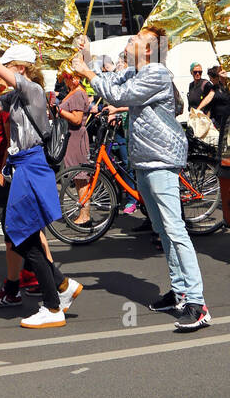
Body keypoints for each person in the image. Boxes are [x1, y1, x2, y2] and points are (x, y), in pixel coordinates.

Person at [83, 24, 210, 332]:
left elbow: (117, 93)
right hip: (145, 160)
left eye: (138, 38)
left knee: (174, 229)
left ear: (151, 49)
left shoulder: (156, 74)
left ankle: (197, 302)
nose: (131, 39)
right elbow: (113, 80)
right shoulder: (137, 72)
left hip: (162, 159)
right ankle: (180, 292)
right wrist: (88, 59)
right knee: (163, 230)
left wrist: (88, 74)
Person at [0, 18, 81, 328]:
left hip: (31, 164)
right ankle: (62, 290)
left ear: (21, 69)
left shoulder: (32, 91)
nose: (0, 70)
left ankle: (54, 306)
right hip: (22, 167)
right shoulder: (13, 97)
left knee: (23, 236)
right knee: (22, 236)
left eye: (7, 66)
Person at [57, 65, 93, 226]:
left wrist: (59, 111)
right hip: (72, 136)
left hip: (77, 136)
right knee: (78, 178)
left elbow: (77, 119)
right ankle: (83, 213)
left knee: (81, 177)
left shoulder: (78, 93)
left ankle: (85, 215)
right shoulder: (75, 92)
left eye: (67, 77)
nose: (65, 81)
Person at [199, 67, 230, 131]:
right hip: (218, 121)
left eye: (211, 78)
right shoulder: (215, 87)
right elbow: (209, 97)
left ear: (217, 77)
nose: (210, 80)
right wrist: (198, 109)